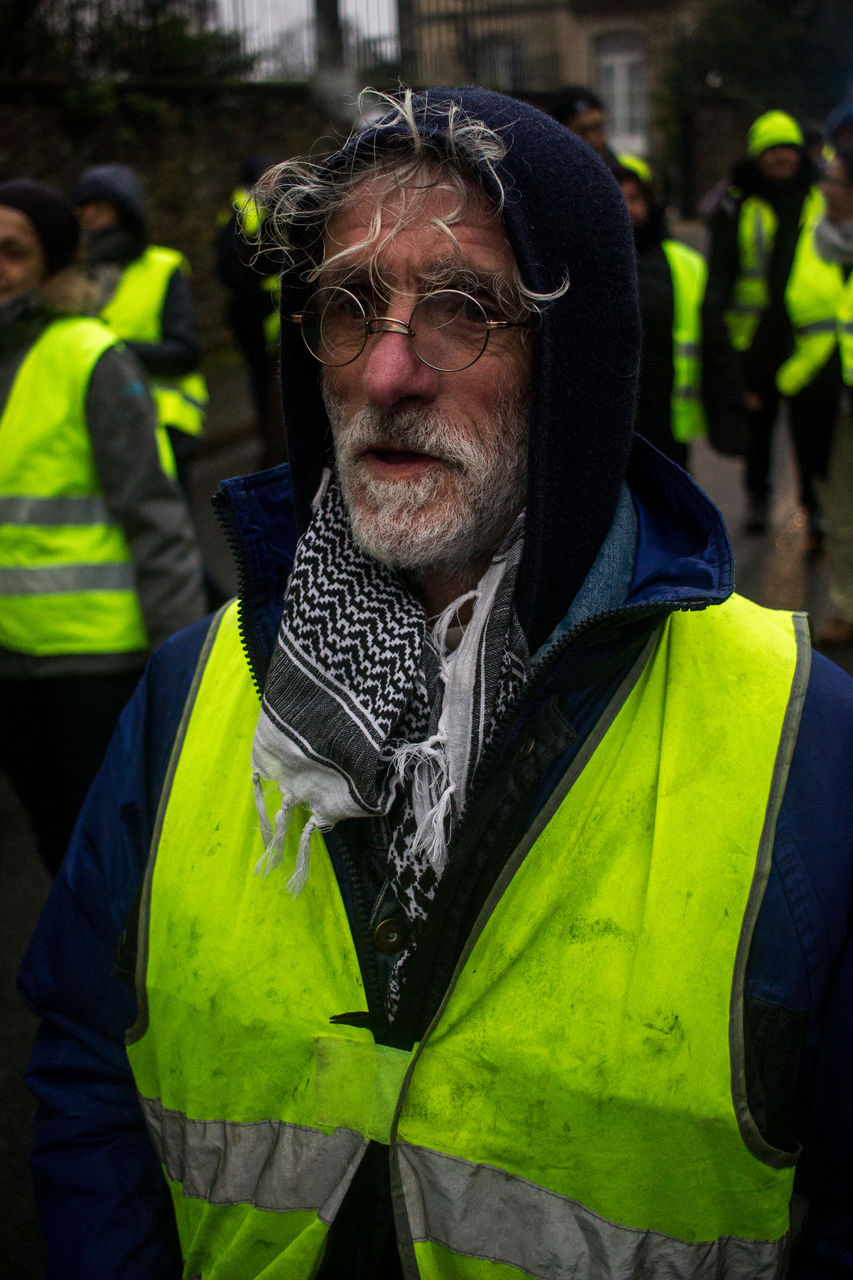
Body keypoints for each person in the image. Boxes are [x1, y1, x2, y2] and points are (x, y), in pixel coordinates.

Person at [18, 89, 853, 1278]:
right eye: (348, 309)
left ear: (573, 370)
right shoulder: (191, 686)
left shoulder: (806, 747)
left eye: (465, 307)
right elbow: (91, 1064)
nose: (389, 370)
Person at [0, 179, 205, 874]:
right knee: (56, 844)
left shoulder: (90, 354)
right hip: (10, 661)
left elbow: (155, 517)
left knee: (111, 859)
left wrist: (177, 671)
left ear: (51, 267)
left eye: (13, 253)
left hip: (93, 660)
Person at [704, 110, 829, 538]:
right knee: (759, 429)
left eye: (788, 148)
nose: (781, 157)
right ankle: (758, 499)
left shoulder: (820, 198)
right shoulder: (737, 203)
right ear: (758, 155)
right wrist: (717, 329)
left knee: (810, 430)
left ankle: (815, 507)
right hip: (754, 340)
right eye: (771, 149)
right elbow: (720, 272)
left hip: (807, 335)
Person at [71, 163, 208, 493]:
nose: (87, 215)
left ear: (124, 210)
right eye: (82, 206)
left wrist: (111, 350)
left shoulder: (163, 267)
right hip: (98, 427)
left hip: (163, 426)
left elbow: (185, 353)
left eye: (98, 206)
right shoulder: (71, 274)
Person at [614, 159, 746, 467]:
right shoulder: (584, 264)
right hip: (608, 424)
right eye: (616, 197)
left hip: (667, 426)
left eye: (634, 198)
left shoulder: (686, 264)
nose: (626, 208)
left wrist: (729, 419)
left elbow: (716, 347)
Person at [215, 156, 284, 469]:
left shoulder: (255, 207)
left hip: (265, 315)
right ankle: (271, 449)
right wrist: (261, 291)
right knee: (265, 383)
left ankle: (273, 444)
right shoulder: (245, 211)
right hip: (255, 315)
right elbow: (230, 266)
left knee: (271, 383)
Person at [812, 145, 853, 647]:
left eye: (836, 181)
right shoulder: (815, 238)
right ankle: (847, 605)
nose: (825, 188)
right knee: (840, 512)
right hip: (826, 400)